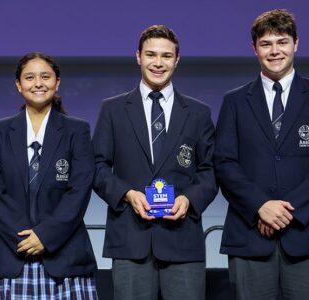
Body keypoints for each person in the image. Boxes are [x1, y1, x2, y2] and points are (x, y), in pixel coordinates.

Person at [214, 9, 309, 300]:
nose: (275, 51)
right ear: (254, 48)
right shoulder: (234, 101)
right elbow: (224, 163)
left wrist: (286, 211)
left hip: (306, 234)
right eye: (266, 43)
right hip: (250, 235)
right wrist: (260, 205)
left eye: (282, 42)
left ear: (296, 44)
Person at [93, 25, 217, 300]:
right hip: (130, 241)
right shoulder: (112, 110)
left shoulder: (198, 113)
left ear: (177, 59)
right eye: (151, 55)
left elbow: (209, 171)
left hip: (182, 240)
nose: (158, 63)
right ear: (138, 56)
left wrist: (188, 200)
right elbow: (98, 168)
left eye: (166, 56)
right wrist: (127, 194)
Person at [0, 52, 97, 299]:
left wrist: (45, 236)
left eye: (45, 76)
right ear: (18, 85)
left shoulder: (77, 130)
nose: (38, 83)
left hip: (65, 257)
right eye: (30, 77)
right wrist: (24, 238)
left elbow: (79, 191)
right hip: (10, 254)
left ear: (57, 82)